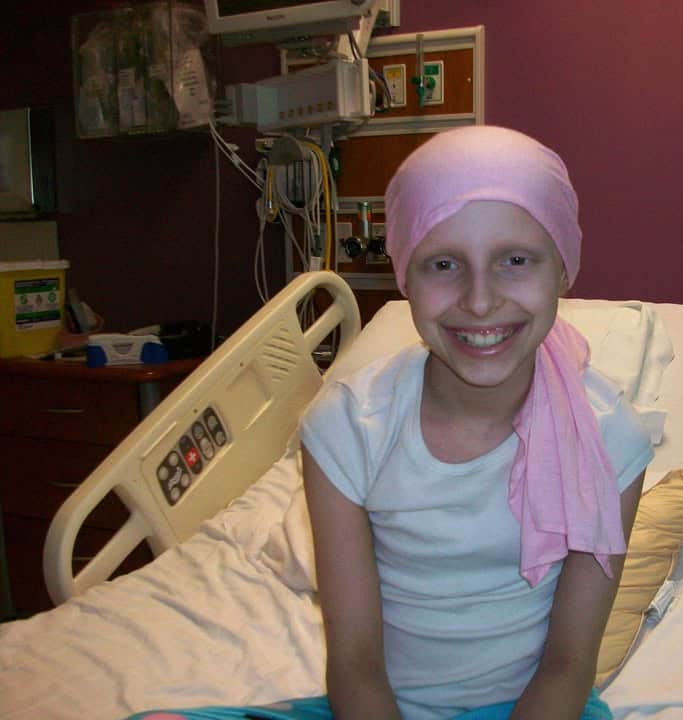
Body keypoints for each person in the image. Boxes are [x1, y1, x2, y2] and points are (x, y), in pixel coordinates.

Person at [128, 126, 653, 720]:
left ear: (563, 270)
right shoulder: (348, 429)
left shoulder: (608, 439)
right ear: (405, 277)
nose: (480, 301)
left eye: (515, 260)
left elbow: (569, 664)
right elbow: (355, 663)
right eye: (443, 264)